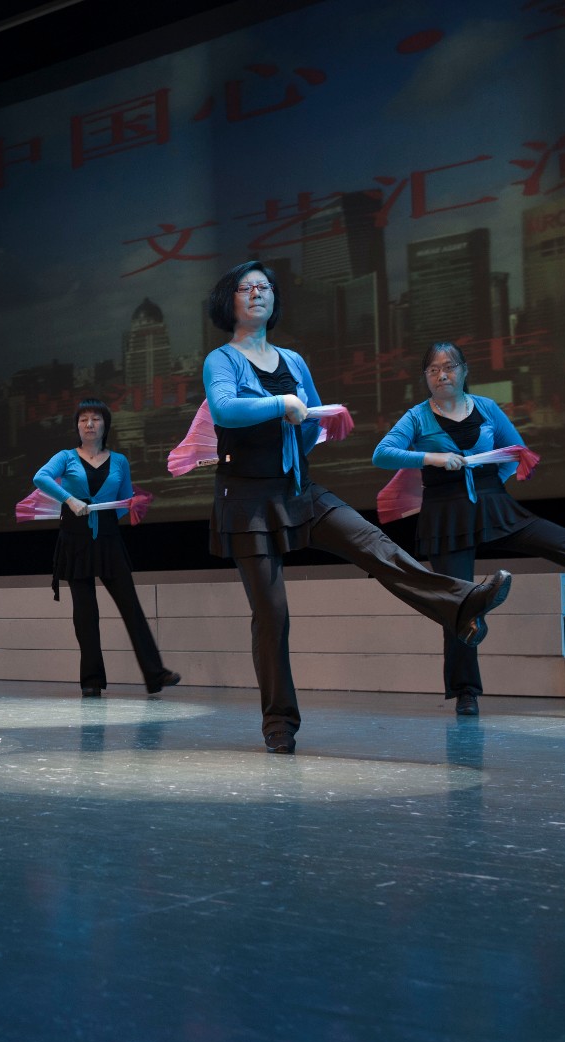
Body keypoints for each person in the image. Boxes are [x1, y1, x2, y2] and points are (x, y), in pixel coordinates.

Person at [201, 261, 511, 753]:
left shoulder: (292, 360)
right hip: (245, 500)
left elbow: (309, 424)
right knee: (272, 614)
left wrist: (323, 422)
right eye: (246, 287)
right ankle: (279, 723)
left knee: (371, 543)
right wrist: (282, 406)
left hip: (296, 488)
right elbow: (224, 409)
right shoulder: (221, 359)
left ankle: (462, 603)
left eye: (265, 287)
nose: (258, 293)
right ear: (229, 300)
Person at [373, 342, 565, 716]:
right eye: (433, 370)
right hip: (446, 514)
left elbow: (516, 452)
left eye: (449, 367)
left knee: (564, 542)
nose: (442, 375)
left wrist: (492, 483)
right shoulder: (417, 416)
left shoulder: (486, 407)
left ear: (464, 370)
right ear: (426, 377)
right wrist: (433, 458)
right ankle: (465, 692)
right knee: (458, 603)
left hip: (493, 503)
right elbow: (382, 454)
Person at [33, 399, 180, 699]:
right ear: (77, 426)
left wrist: (129, 509)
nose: (89, 424)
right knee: (85, 614)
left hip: (110, 542)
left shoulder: (120, 461)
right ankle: (91, 681)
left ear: (105, 425)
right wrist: (69, 500)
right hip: (75, 542)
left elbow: (125, 501)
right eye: (83, 419)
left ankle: (155, 674)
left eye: (96, 419)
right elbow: (41, 478)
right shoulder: (65, 457)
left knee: (131, 607)